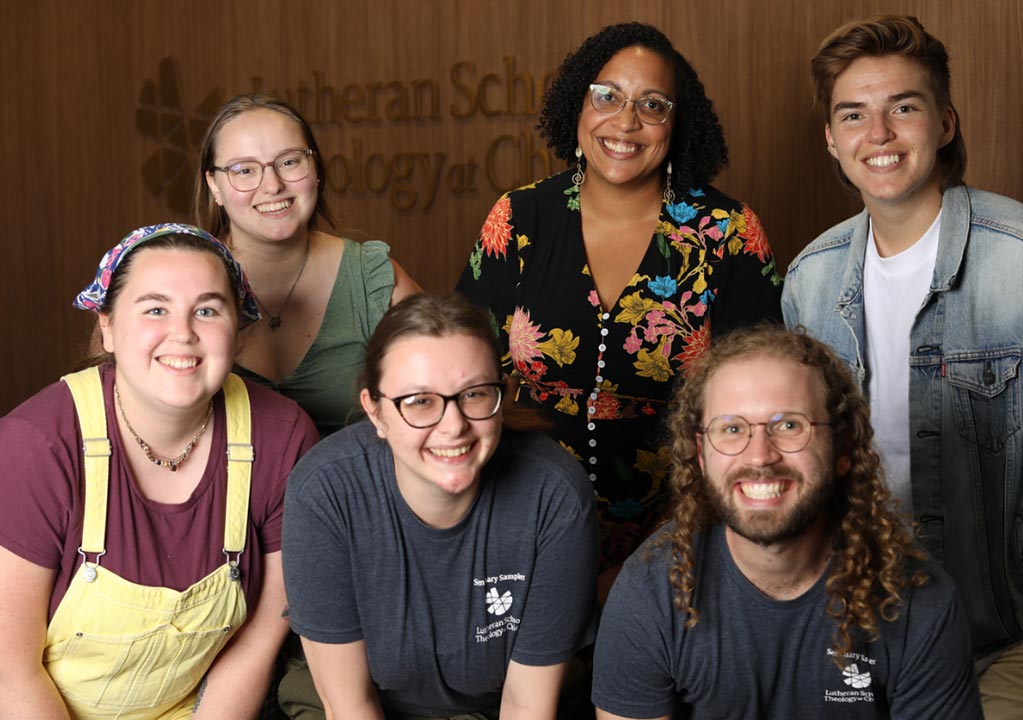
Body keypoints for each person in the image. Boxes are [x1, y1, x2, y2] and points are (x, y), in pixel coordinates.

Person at [455, 22, 783, 595]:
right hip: (520, 519)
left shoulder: (728, 232)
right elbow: (460, 371)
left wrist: (674, 539)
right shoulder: (520, 217)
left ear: (677, 124)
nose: (625, 122)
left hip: (680, 534)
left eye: (651, 105)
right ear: (578, 102)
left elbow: (761, 402)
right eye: (607, 95)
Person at [781, 16, 1023, 715]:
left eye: (902, 108)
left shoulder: (1016, 260)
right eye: (853, 114)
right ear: (831, 138)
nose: (877, 134)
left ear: (943, 123)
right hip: (860, 625)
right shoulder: (810, 280)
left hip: (1002, 635)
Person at [0, 223, 319, 719]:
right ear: (106, 325)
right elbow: (9, 670)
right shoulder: (36, 445)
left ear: (238, 331)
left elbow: (258, 640)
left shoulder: (281, 437)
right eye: (155, 308)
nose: (183, 333)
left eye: (208, 310)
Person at [590, 325, 982, 719]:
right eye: (732, 429)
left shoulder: (919, 601)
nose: (760, 456)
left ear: (843, 448)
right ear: (702, 454)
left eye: (790, 425)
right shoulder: (651, 588)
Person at [281, 294, 598, 720]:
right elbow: (349, 704)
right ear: (374, 411)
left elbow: (527, 705)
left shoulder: (554, 495)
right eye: (419, 401)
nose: (453, 427)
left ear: (502, 396)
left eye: (474, 394)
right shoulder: (323, 492)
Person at [195, 93, 420, 437]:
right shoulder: (172, 282)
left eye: (289, 162)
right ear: (215, 185)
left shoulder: (371, 279)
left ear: (315, 170)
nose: (272, 186)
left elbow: (444, 392)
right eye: (244, 170)